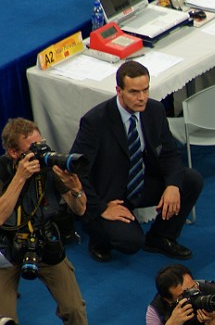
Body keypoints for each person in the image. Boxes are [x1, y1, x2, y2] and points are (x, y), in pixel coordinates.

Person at [72, 60, 203, 263]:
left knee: (190, 180)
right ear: (119, 90)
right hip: (109, 195)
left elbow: (170, 153)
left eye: (145, 90)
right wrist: (101, 207)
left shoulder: (155, 110)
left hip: (141, 183)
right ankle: (99, 237)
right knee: (131, 242)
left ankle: (160, 237)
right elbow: (77, 171)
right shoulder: (95, 121)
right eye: (134, 92)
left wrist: (172, 186)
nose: (142, 98)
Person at [0, 118, 89, 325]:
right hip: (7, 248)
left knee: (74, 310)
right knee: (3, 320)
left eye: (42, 144)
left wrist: (76, 187)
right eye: (32, 149)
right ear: (13, 152)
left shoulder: (50, 168)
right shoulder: (2, 171)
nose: (40, 153)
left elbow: (80, 209)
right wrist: (20, 177)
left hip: (45, 242)